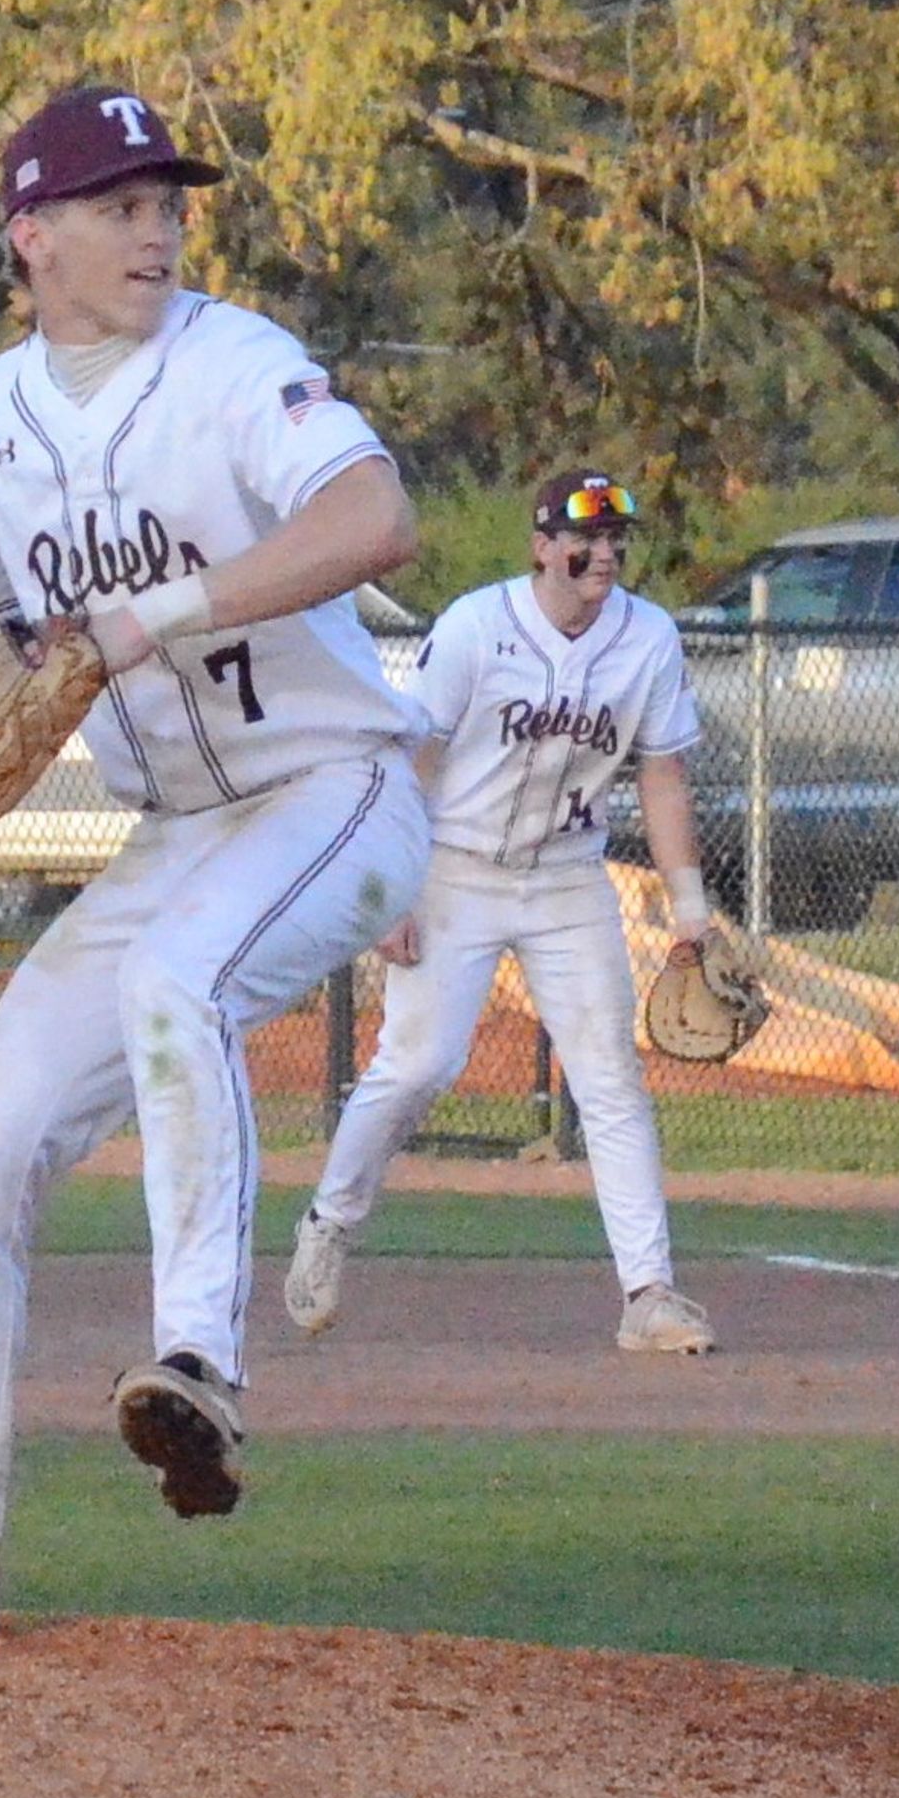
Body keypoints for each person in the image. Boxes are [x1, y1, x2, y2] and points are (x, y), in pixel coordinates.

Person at [0, 84, 432, 1653]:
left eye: (168, 202)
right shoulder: (0, 412)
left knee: (177, 986)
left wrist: (171, 609)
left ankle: (200, 1367)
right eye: (120, 203)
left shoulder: (233, 365)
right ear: (33, 235)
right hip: (182, 833)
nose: (159, 226)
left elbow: (378, 514)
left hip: (335, 787)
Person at [285, 471, 721, 1357]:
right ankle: (330, 1222)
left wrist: (689, 906)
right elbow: (416, 759)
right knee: (417, 1066)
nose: (603, 553)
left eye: (614, 540)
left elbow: (663, 772)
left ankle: (649, 1292)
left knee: (609, 1080)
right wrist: (390, 887)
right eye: (584, 538)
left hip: (568, 877)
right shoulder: (479, 626)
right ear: (540, 546)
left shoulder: (649, 638)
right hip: (451, 866)